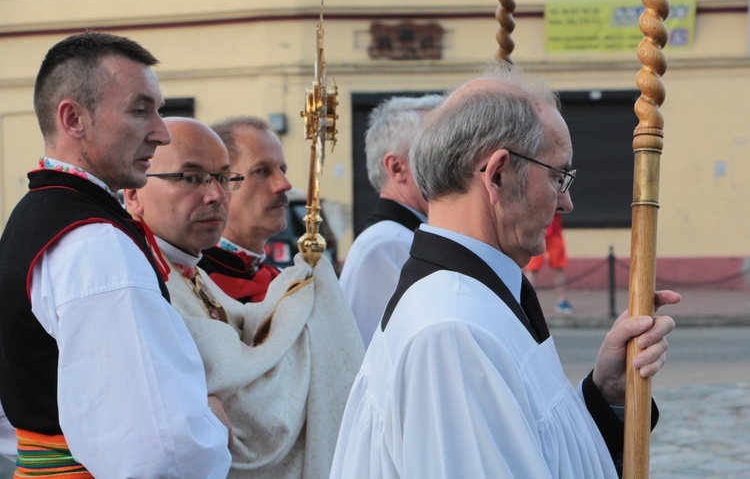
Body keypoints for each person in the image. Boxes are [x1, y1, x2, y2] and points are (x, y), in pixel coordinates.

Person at [330, 63, 680, 478]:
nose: (565, 203)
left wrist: (605, 392)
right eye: (558, 177)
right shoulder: (451, 332)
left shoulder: (477, 298)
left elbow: (540, 446)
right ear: (497, 174)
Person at [0, 32, 231, 477]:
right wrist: (214, 428)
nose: (161, 133)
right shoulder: (93, 243)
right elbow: (156, 451)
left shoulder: (36, 215)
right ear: (73, 118)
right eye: (140, 110)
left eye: (158, 111)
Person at [124, 116, 364, 478]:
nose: (215, 193)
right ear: (133, 194)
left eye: (223, 178)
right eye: (191, 178)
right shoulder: (136, 279)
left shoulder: (195, 273)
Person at [339, 94, 444, 346]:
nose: (451, 163)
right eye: (437, 152)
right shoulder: (385, 246)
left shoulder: (405, 238)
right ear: (397, 167)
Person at [198, 116, 292, 303]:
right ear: (218, 183)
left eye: (282, 170)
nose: (284, 184)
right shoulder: (190, 283)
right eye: (261, 171)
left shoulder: (283, 283)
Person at [525, 212, 575, 313]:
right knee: (533, 269)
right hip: (537, 232)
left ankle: (562, 301)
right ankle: (525, 302)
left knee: (559, 267)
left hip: (555, 233)